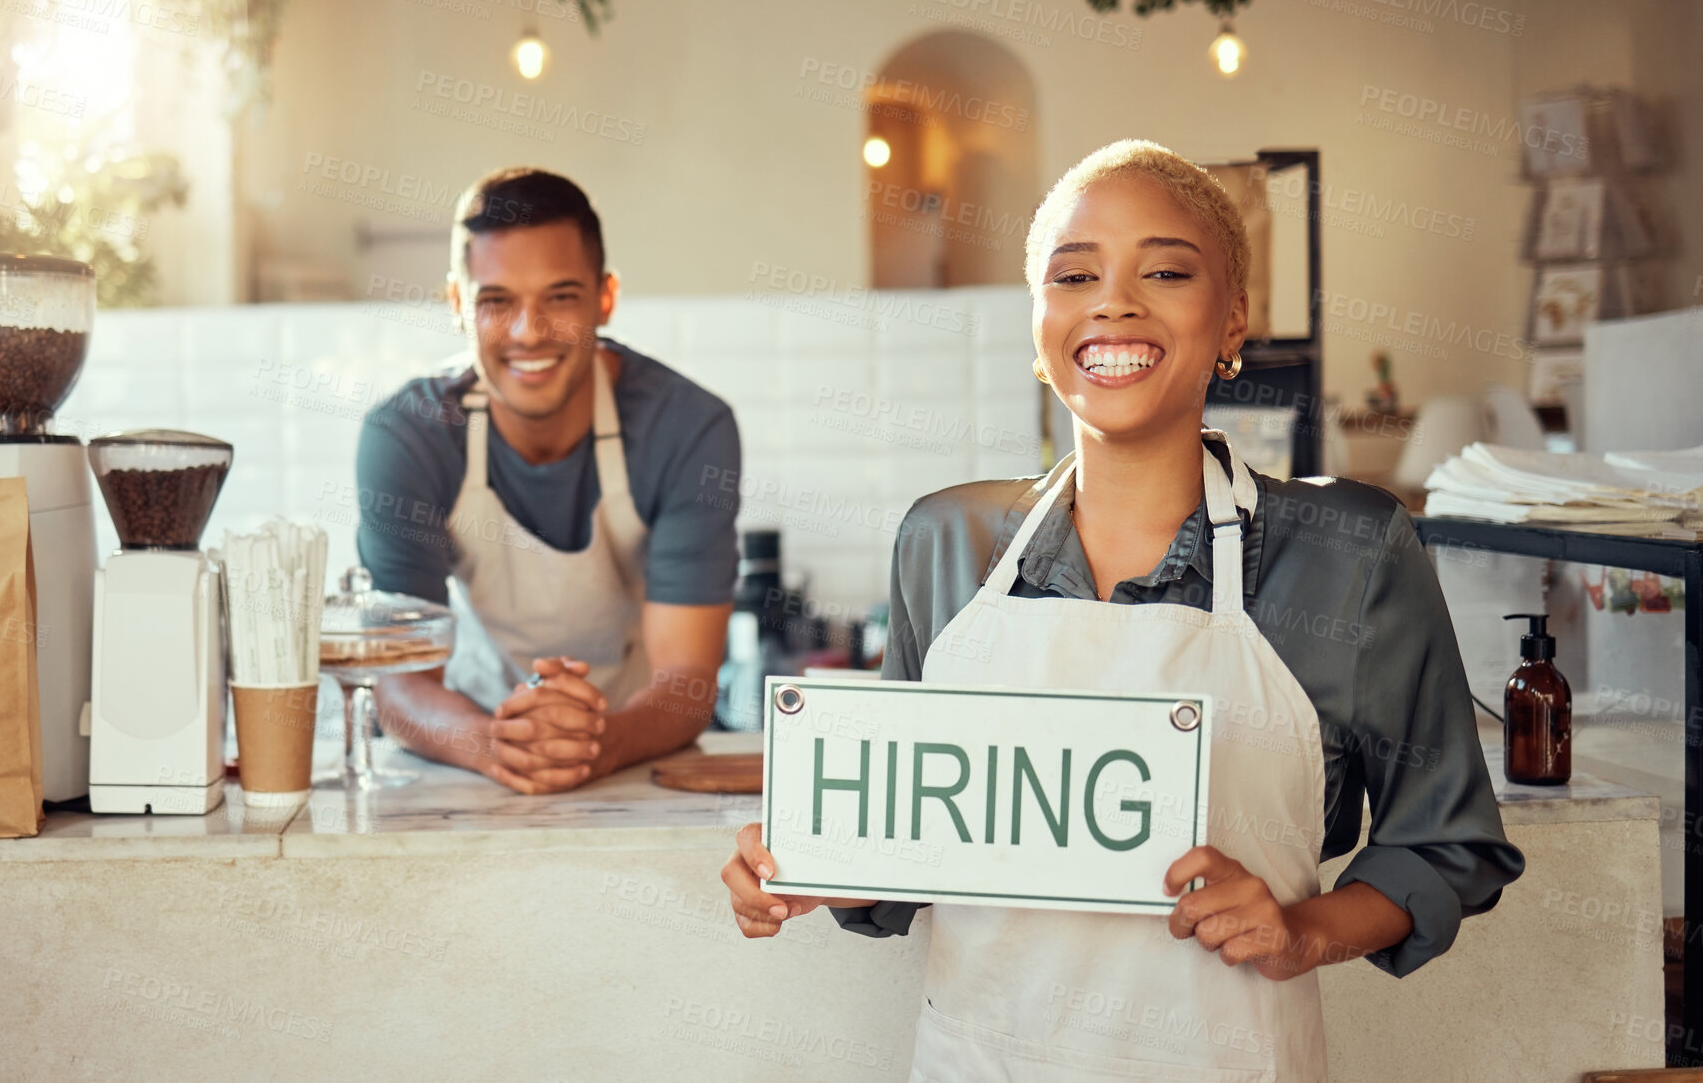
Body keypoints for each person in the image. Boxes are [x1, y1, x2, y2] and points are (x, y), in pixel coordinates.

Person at [721, 140, 1524, 1079]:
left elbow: (1445, 842)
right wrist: (811, 866)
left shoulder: (1352, 551)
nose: (1114, 300)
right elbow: (901, 855)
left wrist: (1299, 933)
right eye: (1075, 274)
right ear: (1039, 325)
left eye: (1166, 270)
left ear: (1235, 318)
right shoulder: (946, 542)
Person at [358, 167, 740, 795]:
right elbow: (401, 685)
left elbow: (687, 682)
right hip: (469, 752)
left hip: (639, 757)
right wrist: (498, 746)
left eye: (560, 297)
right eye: (495, 301)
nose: (528, 332)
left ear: (605, 298)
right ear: (457, 304)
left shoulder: (689, 428)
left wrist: (597, 743)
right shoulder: (410, 436)